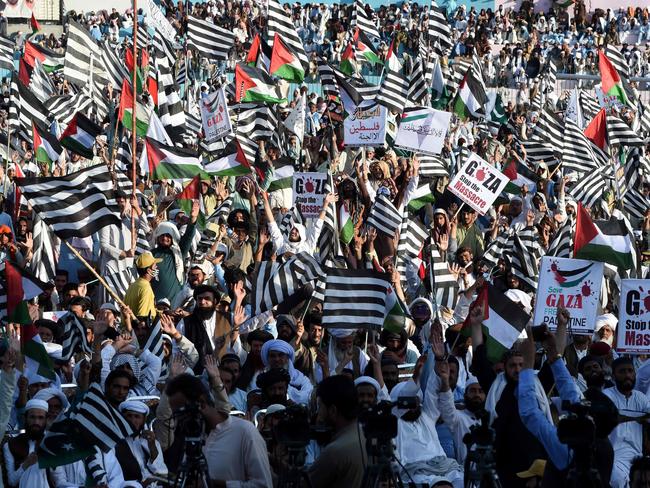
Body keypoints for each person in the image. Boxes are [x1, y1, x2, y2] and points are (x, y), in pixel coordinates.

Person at [307, 375, 367, 488]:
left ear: (333, 411)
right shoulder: (367, 435)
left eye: (320, 407)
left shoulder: (335, 451)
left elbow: (304, 484)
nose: (318, 414)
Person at [604, 356, 650, 488]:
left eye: (630, 371)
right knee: (617, 480)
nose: (627, 375)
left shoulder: (640, 397)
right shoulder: (607, 396)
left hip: (637, 456)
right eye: (622, 371)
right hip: (614, 456)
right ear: (613, 376)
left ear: (635, 374)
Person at [115, 400, 168, 485]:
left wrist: (152, 447)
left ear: (144, 420)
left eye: (137, 417)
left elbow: (161, 472)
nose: (132, 420)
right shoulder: (115, 442)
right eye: (129, 416)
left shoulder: (151, 442)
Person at [3, 399, 49, 487]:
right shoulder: (10, 445)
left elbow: (58, 479)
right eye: (32, 417)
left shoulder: (51, 443)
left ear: (46, 419)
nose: (36, 422)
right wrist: (26, 464)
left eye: (40, 418)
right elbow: (11, 482)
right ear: (25, 418)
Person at [123, 251, 161, 319]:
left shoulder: (132, 285)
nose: (156, 267)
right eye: (154, 265)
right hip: (138, 329)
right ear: (149, 270)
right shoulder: (145, 288)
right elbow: (143, 319)